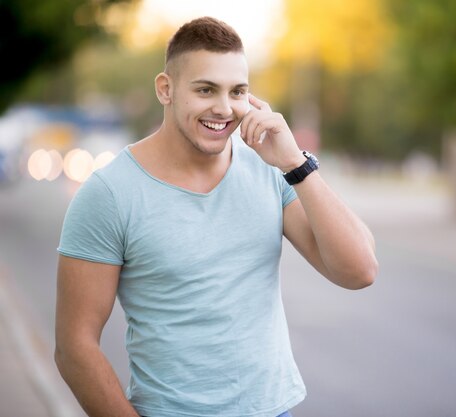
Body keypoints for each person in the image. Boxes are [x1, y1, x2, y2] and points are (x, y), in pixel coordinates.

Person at [54, 16, 378, 417]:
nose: (224, 108)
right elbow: (75, 346)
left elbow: (359, 271)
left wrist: (296, 162)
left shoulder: (273, 170)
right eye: (206, 89)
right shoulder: (108, 193)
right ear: (166, 89)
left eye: (237, 91)